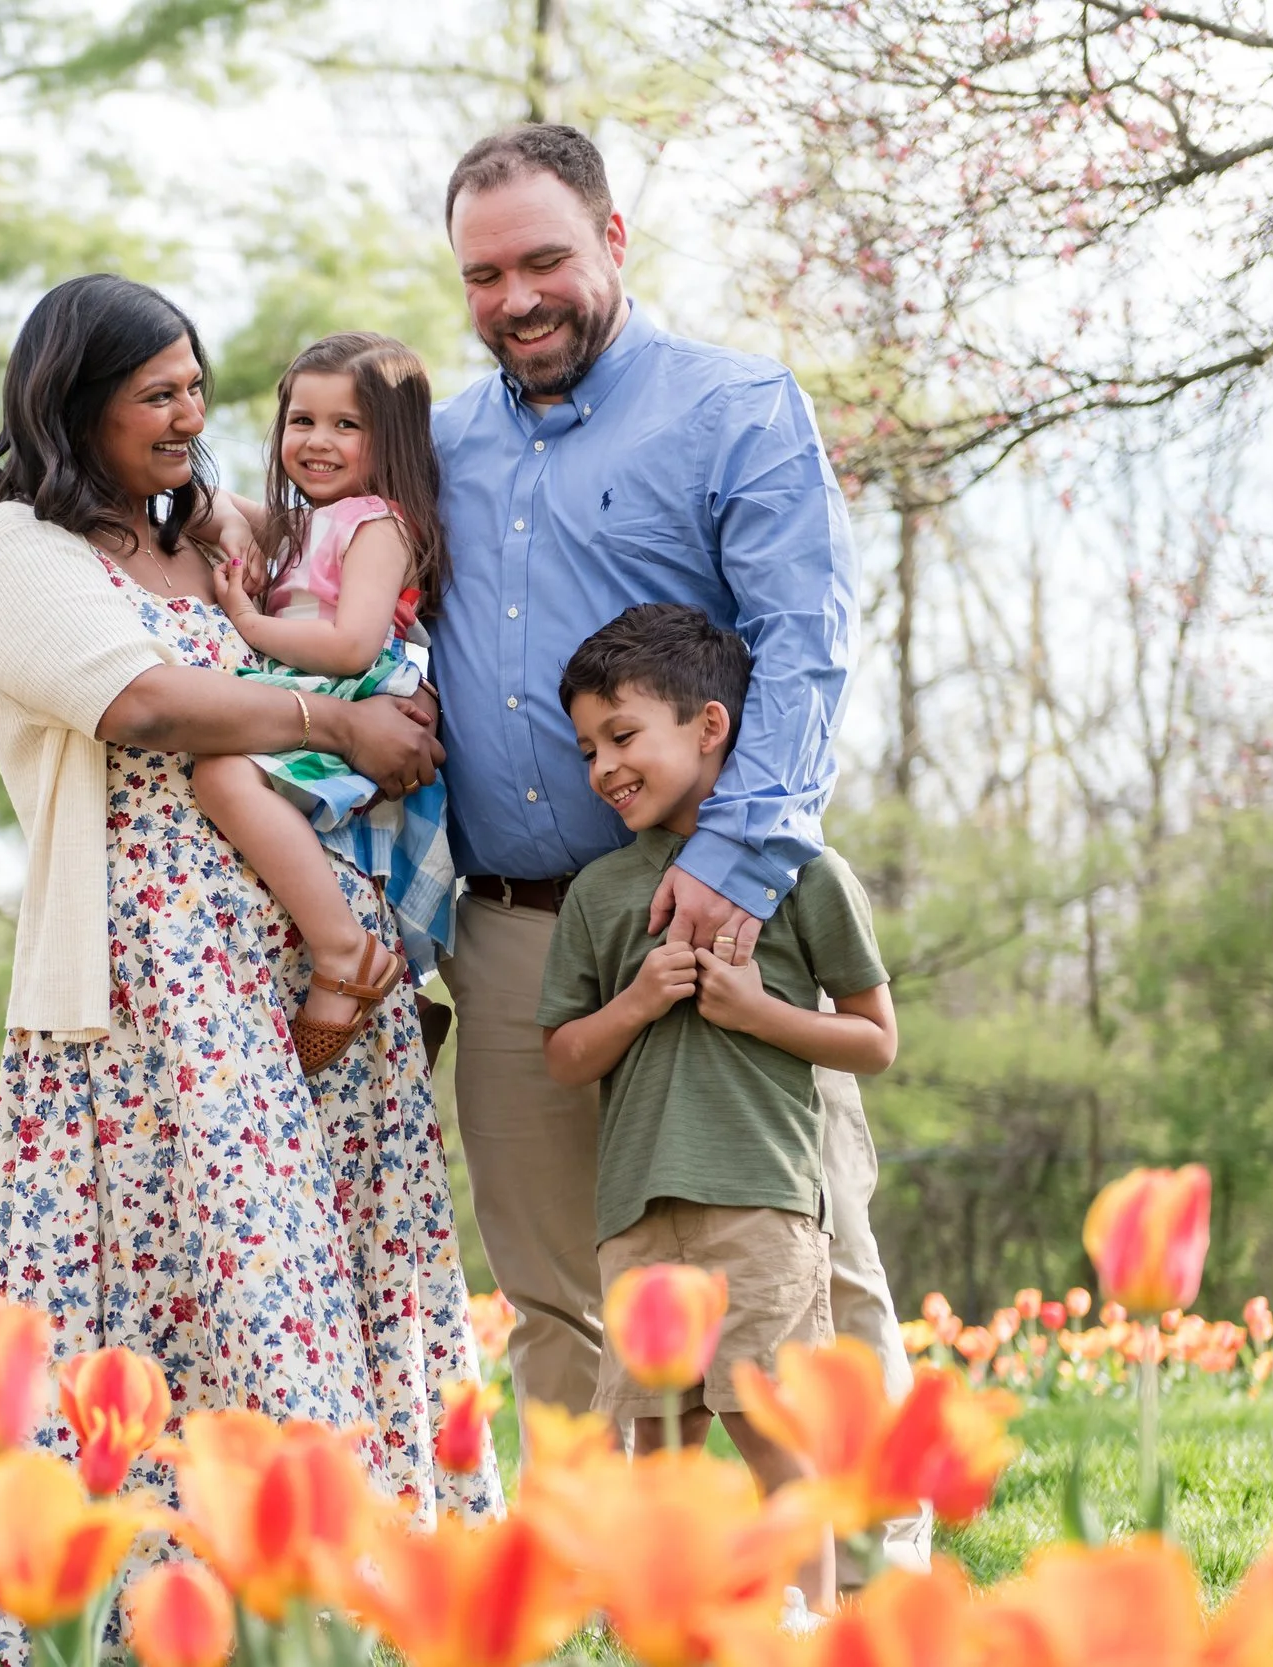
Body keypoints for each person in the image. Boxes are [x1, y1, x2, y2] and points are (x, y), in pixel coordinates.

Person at [0, 274, 500, 1660]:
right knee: (199, 1270)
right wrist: (335, 716)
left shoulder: (218, 532)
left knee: (341, 1253)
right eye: (155, 395)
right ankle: (156, 1605)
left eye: (197, 386)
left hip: (315, 958)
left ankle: (365, 1599)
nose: (190, 415)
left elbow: (357, 600)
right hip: (157, 977)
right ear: (75, 406)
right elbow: (140, 701)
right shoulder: (15, 549)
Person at [427, 122, 929, 1573]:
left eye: (542, 260)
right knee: (557, 1284)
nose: (515, 298)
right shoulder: (444, 444)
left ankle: (874, 1577)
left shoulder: (734, 408)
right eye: (481, 275)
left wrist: (742, 866)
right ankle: (608, 1575)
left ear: (613, 240)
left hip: (718, 915)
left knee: (803, 1257)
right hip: (519, 920)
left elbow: (805, 647)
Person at [539, 604, 898, 1616]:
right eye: (586, 748)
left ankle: (808, 1618)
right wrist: (640, 998)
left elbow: (874, 1038)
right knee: (655, 1432)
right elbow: (565, 1054)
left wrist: (757, 1010)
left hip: (763, 1200)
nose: (603, 766)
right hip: (635, 1211)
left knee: (770, 1418)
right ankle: (664, 1619)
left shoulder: (801, 870)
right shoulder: (600, 893)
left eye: (622, 735)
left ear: (710, 725)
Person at [195, 333, 457, 1070]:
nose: (318, 441)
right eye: (301, 421)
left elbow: (350, 645)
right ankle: (405, 993)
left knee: (219, 772)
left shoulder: (375, 523)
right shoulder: (309, 519)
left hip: (354, 688)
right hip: (317, 689)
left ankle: (345, 952)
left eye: (347, 425)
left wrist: (248, 624)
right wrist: (235, 525)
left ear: (390, 439)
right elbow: (206, 501)